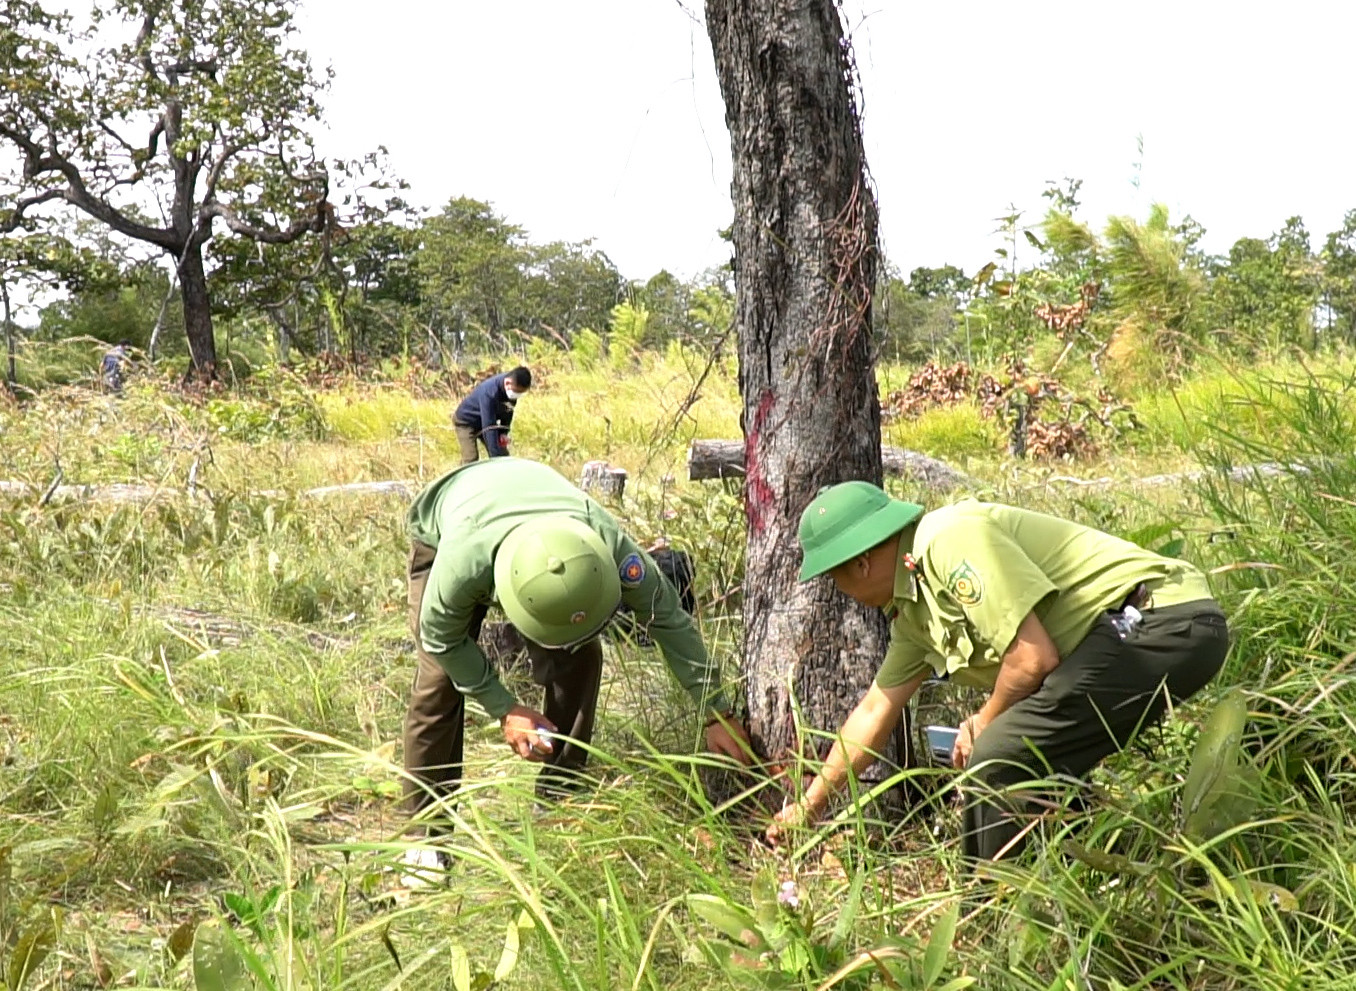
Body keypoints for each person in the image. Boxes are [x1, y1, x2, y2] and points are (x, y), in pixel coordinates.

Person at [768, 481, 1229, 864]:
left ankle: (987, 912)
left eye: (834, 578)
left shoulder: (948, 539)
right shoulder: (913, 614)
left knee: (998, 752)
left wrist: (983, 720)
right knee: (1036, 759)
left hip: (1160, 620)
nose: (839, 591)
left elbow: (1032, 659)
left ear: (861, 562)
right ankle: (1102, 879)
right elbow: (875, 710)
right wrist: (810, 805)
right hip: (1127, 637)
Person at [401, 457, 752, 880]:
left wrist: (715, 709)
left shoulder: (607, 544)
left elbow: (668, 617)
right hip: (450, 523)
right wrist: (505, 708)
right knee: (437, 686)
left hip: (545, 523)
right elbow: (442, 639)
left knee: (581, 657)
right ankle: (426, 838)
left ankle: (559, 799)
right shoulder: (460, 564)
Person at [453, 366, 531, 463]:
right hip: (465, 422)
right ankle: (461, 477)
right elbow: (489, 427)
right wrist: (495, 459)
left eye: (520, 393)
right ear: (507, 383)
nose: (517, 395)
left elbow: (508, 412)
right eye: (517, 392)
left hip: (484, 421)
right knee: (471, 458)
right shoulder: (489, 393)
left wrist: (503, 433)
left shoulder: (512, 387)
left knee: (503, 456)